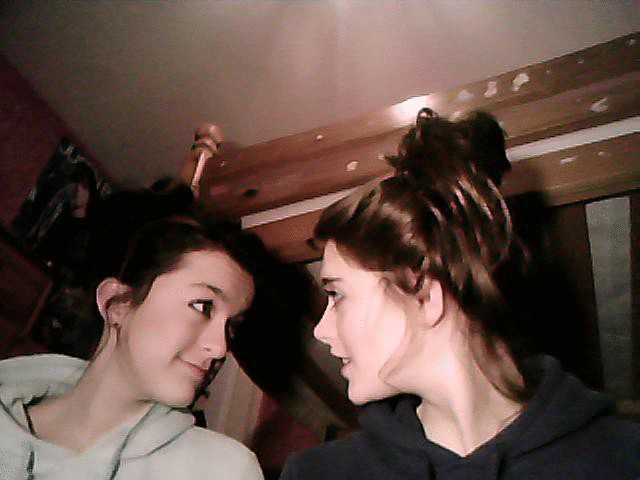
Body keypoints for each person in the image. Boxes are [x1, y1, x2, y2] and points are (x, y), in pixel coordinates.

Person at [280, 108, 640, 479]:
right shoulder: (315, 474)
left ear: (425, 293)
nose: (321, 331)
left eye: (337, 295)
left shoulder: (624, 459)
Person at [0, 190, 268, 479]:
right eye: (202, 306)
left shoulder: (223, 471)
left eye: (232, 326)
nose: (220, 348)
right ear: (117, 303)